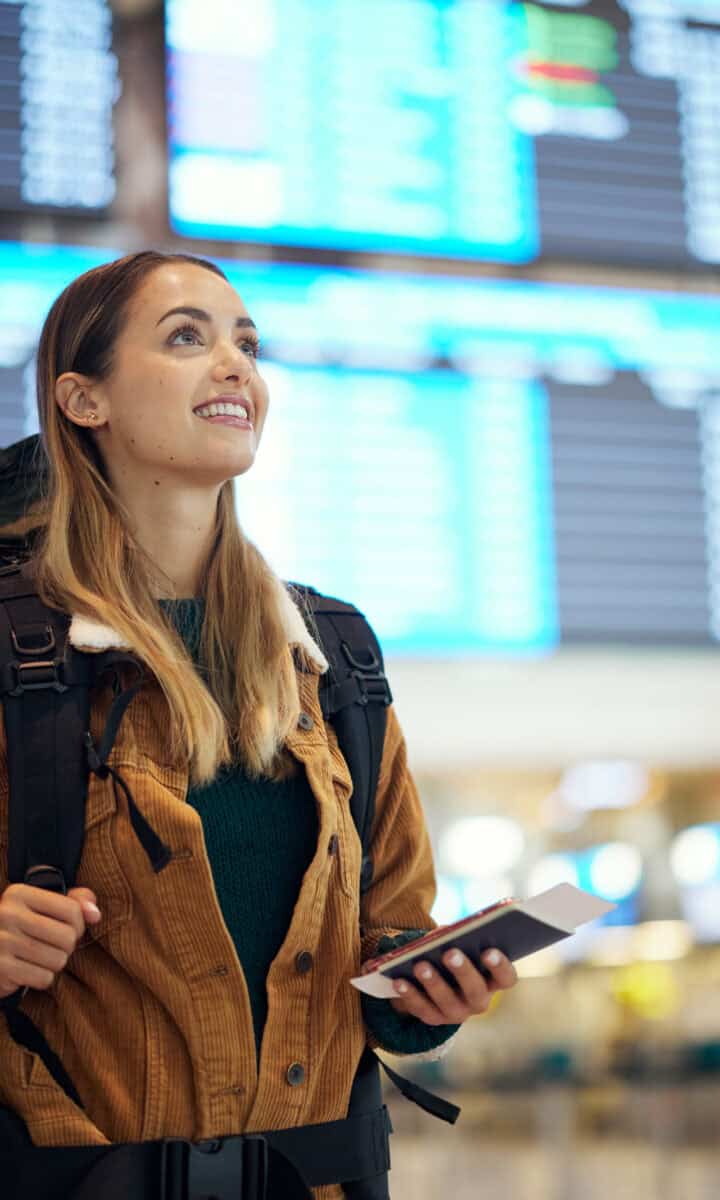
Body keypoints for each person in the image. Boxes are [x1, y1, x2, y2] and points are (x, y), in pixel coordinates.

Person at [0, 251, 519, 1199]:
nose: (236, 365)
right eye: (186, 338)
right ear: (83, 400)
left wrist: (426, 997)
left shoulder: (334, 660)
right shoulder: (15, 653)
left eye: (246, 342)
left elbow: (388, 940)